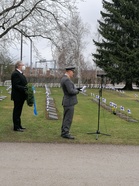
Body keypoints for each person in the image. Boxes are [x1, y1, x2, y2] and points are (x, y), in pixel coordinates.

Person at [60, 66, 82, 139]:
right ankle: (65, 133)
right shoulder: (67, 80)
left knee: (66, 117)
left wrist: (76, 88)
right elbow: (70, 91)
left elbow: (70, 88)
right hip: (69, 101)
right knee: (68, 118)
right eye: (73, 72)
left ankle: (64, 131)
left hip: (67, 101)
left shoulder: (64, 78)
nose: (73, 74)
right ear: (69, 71)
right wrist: (77, 91)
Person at [11, 61, 27, 132]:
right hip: (18, 96)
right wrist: (25, 88)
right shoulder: (15, 74)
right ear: (18, 66)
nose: (23, 66)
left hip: (21, 96)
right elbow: (16, 85)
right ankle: (16, 127)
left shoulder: (20, 73)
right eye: (22, 65)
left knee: (19, 111)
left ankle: (19, 125)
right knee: (17, 111)